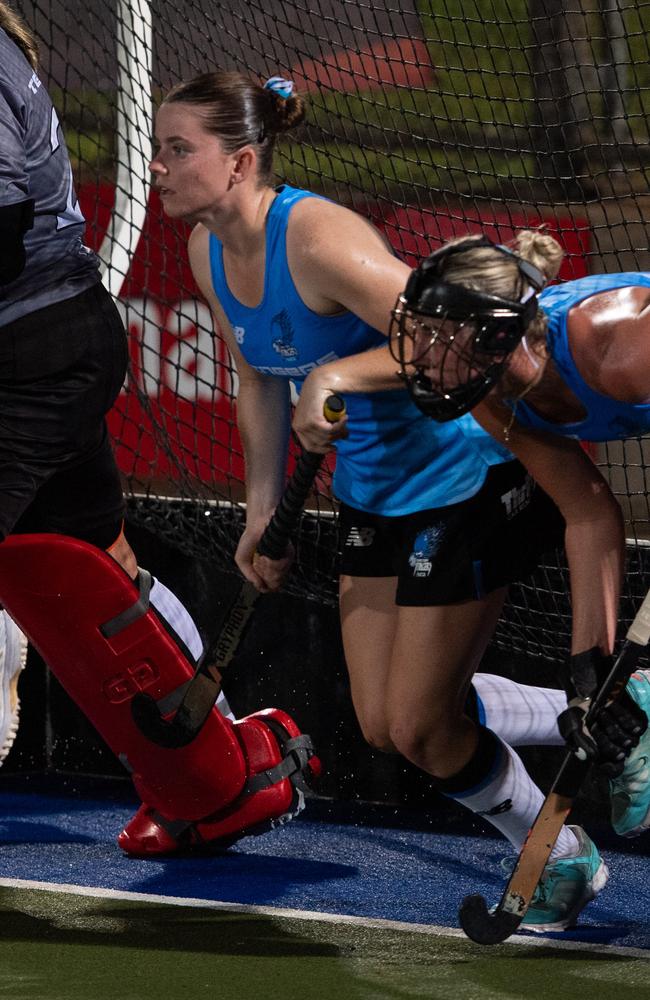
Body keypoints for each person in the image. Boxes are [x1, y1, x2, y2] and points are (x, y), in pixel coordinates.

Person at [147, 68, 624, 931]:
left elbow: (447, 335)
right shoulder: (206, 249)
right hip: (371, 493)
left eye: (179, 149)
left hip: (463, 477)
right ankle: (589, 716)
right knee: (384, 725)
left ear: (240, 160)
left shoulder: (320, 239)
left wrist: (333, 372)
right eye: (157, 148)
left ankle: (563, 857)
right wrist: (261, 510)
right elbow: (257, 376)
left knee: (422, 722)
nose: (158, 166)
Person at [0, 2, 318, 856]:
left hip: (33, 353)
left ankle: (227, 765)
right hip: (46, 343)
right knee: (104, 569)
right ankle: (221, 773)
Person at [389, 230, 650, 838]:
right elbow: (588, 514)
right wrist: (591, 677)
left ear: (491, 332)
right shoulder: (494, 394)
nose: (417, 353)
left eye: (434, 334)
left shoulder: (620, 346)